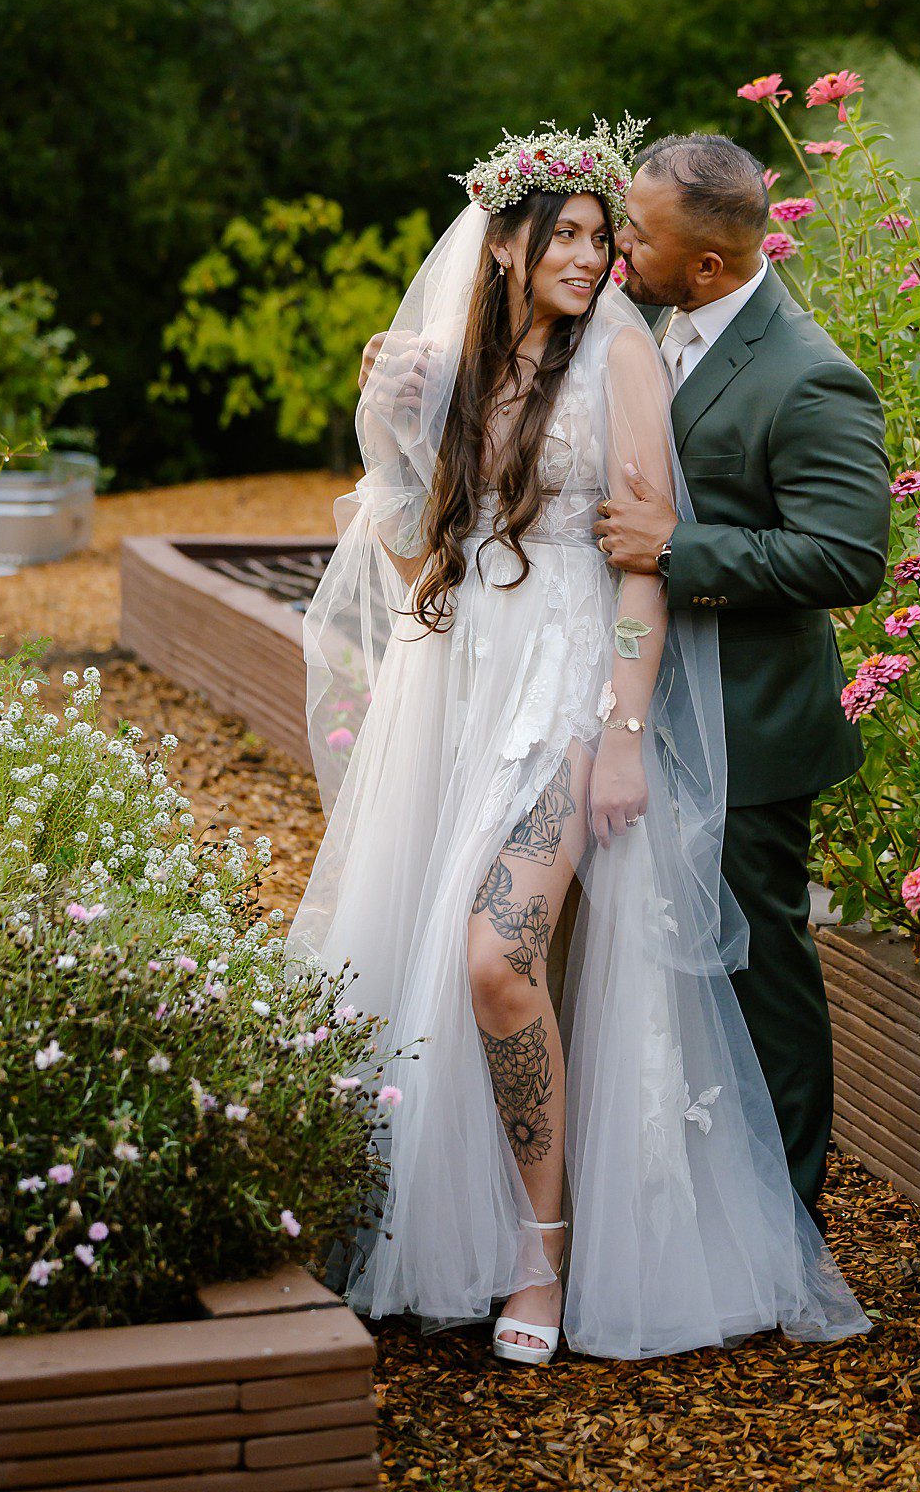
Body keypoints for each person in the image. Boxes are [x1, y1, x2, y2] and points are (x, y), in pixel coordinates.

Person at [288, 117, 872, 1368]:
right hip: (462, 683)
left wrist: (616, 731)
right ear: (500, 242)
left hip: (575, 690)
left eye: (612, 234)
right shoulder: (481, 357)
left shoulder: (646, 356)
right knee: (450, 959)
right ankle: (454, 1228)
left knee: (520, 954)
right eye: (572, 231)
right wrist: (382, 423)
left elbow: (667, 559)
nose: (600, 254)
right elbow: (411, 544)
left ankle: (574, 1246)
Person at [595, 132, 891, 1230]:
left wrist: (679, 548)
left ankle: (787, 1215)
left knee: (760, 961)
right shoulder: (652, 322)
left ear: (707, 266)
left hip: (752, 729)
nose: (622, 245)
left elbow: (845, 559)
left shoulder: (808, 376)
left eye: (639, 232)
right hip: (657, 710)